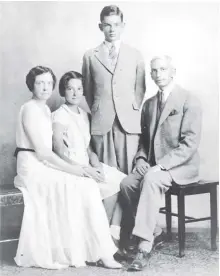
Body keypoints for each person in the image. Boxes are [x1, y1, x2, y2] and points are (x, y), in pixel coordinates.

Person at [14, 66, 122, 269]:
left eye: (48, 83)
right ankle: (96, 251)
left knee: (85, 186)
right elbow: (45, 152)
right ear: (32, 85)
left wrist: (85, 169)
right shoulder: (29, 108)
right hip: (31, 166)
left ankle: (97, 249)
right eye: (40, 83)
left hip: (43, 164)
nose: (45, 87)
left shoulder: (44, 108)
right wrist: (79, 170)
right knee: (85, 185)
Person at [120, 55, 202, 271]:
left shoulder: (188, 99)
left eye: (163, 70)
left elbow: (190, 144)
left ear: (173, 71)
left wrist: (162, 165)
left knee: (152, 178)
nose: (158, 75)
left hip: (181, 166)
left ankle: (144, 247)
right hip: (154, 165)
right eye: (154, 71)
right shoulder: (148, 105)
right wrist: (140, 159)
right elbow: (144, 142)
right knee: (127, 184)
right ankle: (154, 230)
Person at [82, 4, 146, 239]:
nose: (112, 29)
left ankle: (131, 233)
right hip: (102, 125)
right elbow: (88, 92)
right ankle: (106, 235)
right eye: (107, 25)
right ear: (101, 27)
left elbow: (140, 91)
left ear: (123, 26)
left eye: (116, 25)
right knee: (108, 180)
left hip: (128, 125)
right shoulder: (90, 55)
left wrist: (127, 111)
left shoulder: (135, 54)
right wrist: (103, 110)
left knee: (129, 180)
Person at [52, 71, 126, 244]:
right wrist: (84, 170)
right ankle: (104, 240)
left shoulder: (85, 115)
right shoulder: (59, 115)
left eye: (79, 88)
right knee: (108, 188)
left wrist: (96, 165)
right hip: (70, 167)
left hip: (87, 163)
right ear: (63, 91)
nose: (75, 93)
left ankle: (112, 232)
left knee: (124, 182)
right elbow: (58, 150)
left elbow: (89, 148)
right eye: (70, 89)